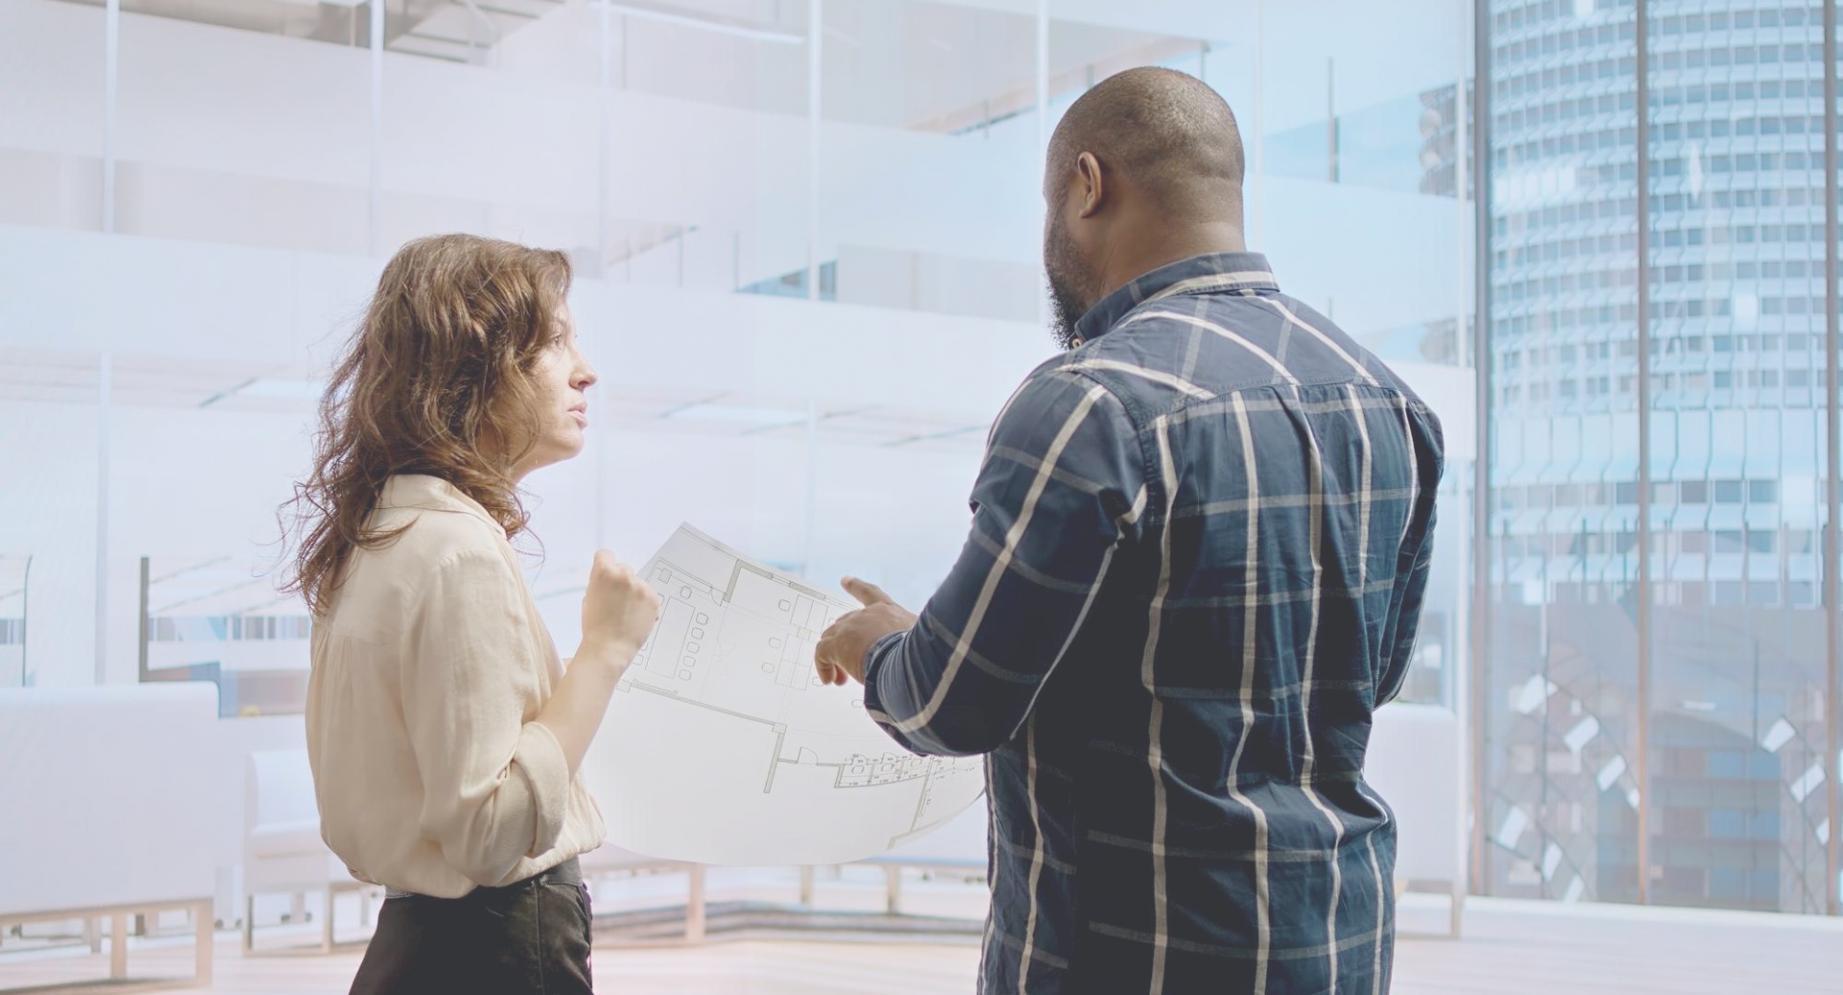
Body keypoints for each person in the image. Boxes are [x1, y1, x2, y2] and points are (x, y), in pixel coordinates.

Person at [815, 68, 1443, 994]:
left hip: (1132, 952)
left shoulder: (1091, 403)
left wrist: (881, 648)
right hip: (1334, 946)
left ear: (1086, 184)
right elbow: (1365, 677)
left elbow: (952, 703)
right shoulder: (1388, 402)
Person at [284, 233, 661, 995]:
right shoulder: (455, 551)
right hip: (497, 945)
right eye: (554, 342)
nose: (586, 371)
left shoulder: (378, 536)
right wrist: (606, 649)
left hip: (417, 942)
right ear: (475, 366)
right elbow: (490, 832)